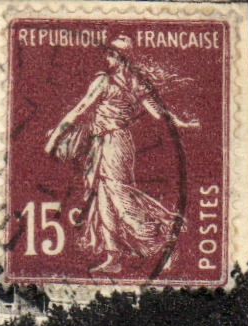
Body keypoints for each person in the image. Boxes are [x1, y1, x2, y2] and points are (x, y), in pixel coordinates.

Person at [45, 36, 199, 274]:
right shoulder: (134, 83)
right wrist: (180, 122)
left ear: (119, 57)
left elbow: (81, 109)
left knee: (119, 198)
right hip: (104, 142)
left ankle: (163, 243)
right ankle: (113, 255)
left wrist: (56, 136)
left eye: (111, 54)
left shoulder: (110, 82)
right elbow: (159, 113)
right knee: (102, 198)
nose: (107, 58)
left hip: (114, 142)